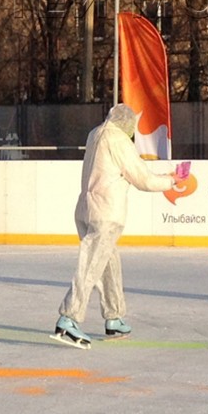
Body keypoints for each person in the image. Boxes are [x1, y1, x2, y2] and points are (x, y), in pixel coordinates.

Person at [54, 103, 186, 347]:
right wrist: (171, 181)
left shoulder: (95, 134)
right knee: (92, 264)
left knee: (108, 264)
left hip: (86, 207)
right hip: (106, 212)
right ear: (128, 125)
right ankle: (69, 318)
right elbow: (142, 179)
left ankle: (113, 318)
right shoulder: (119, 140)